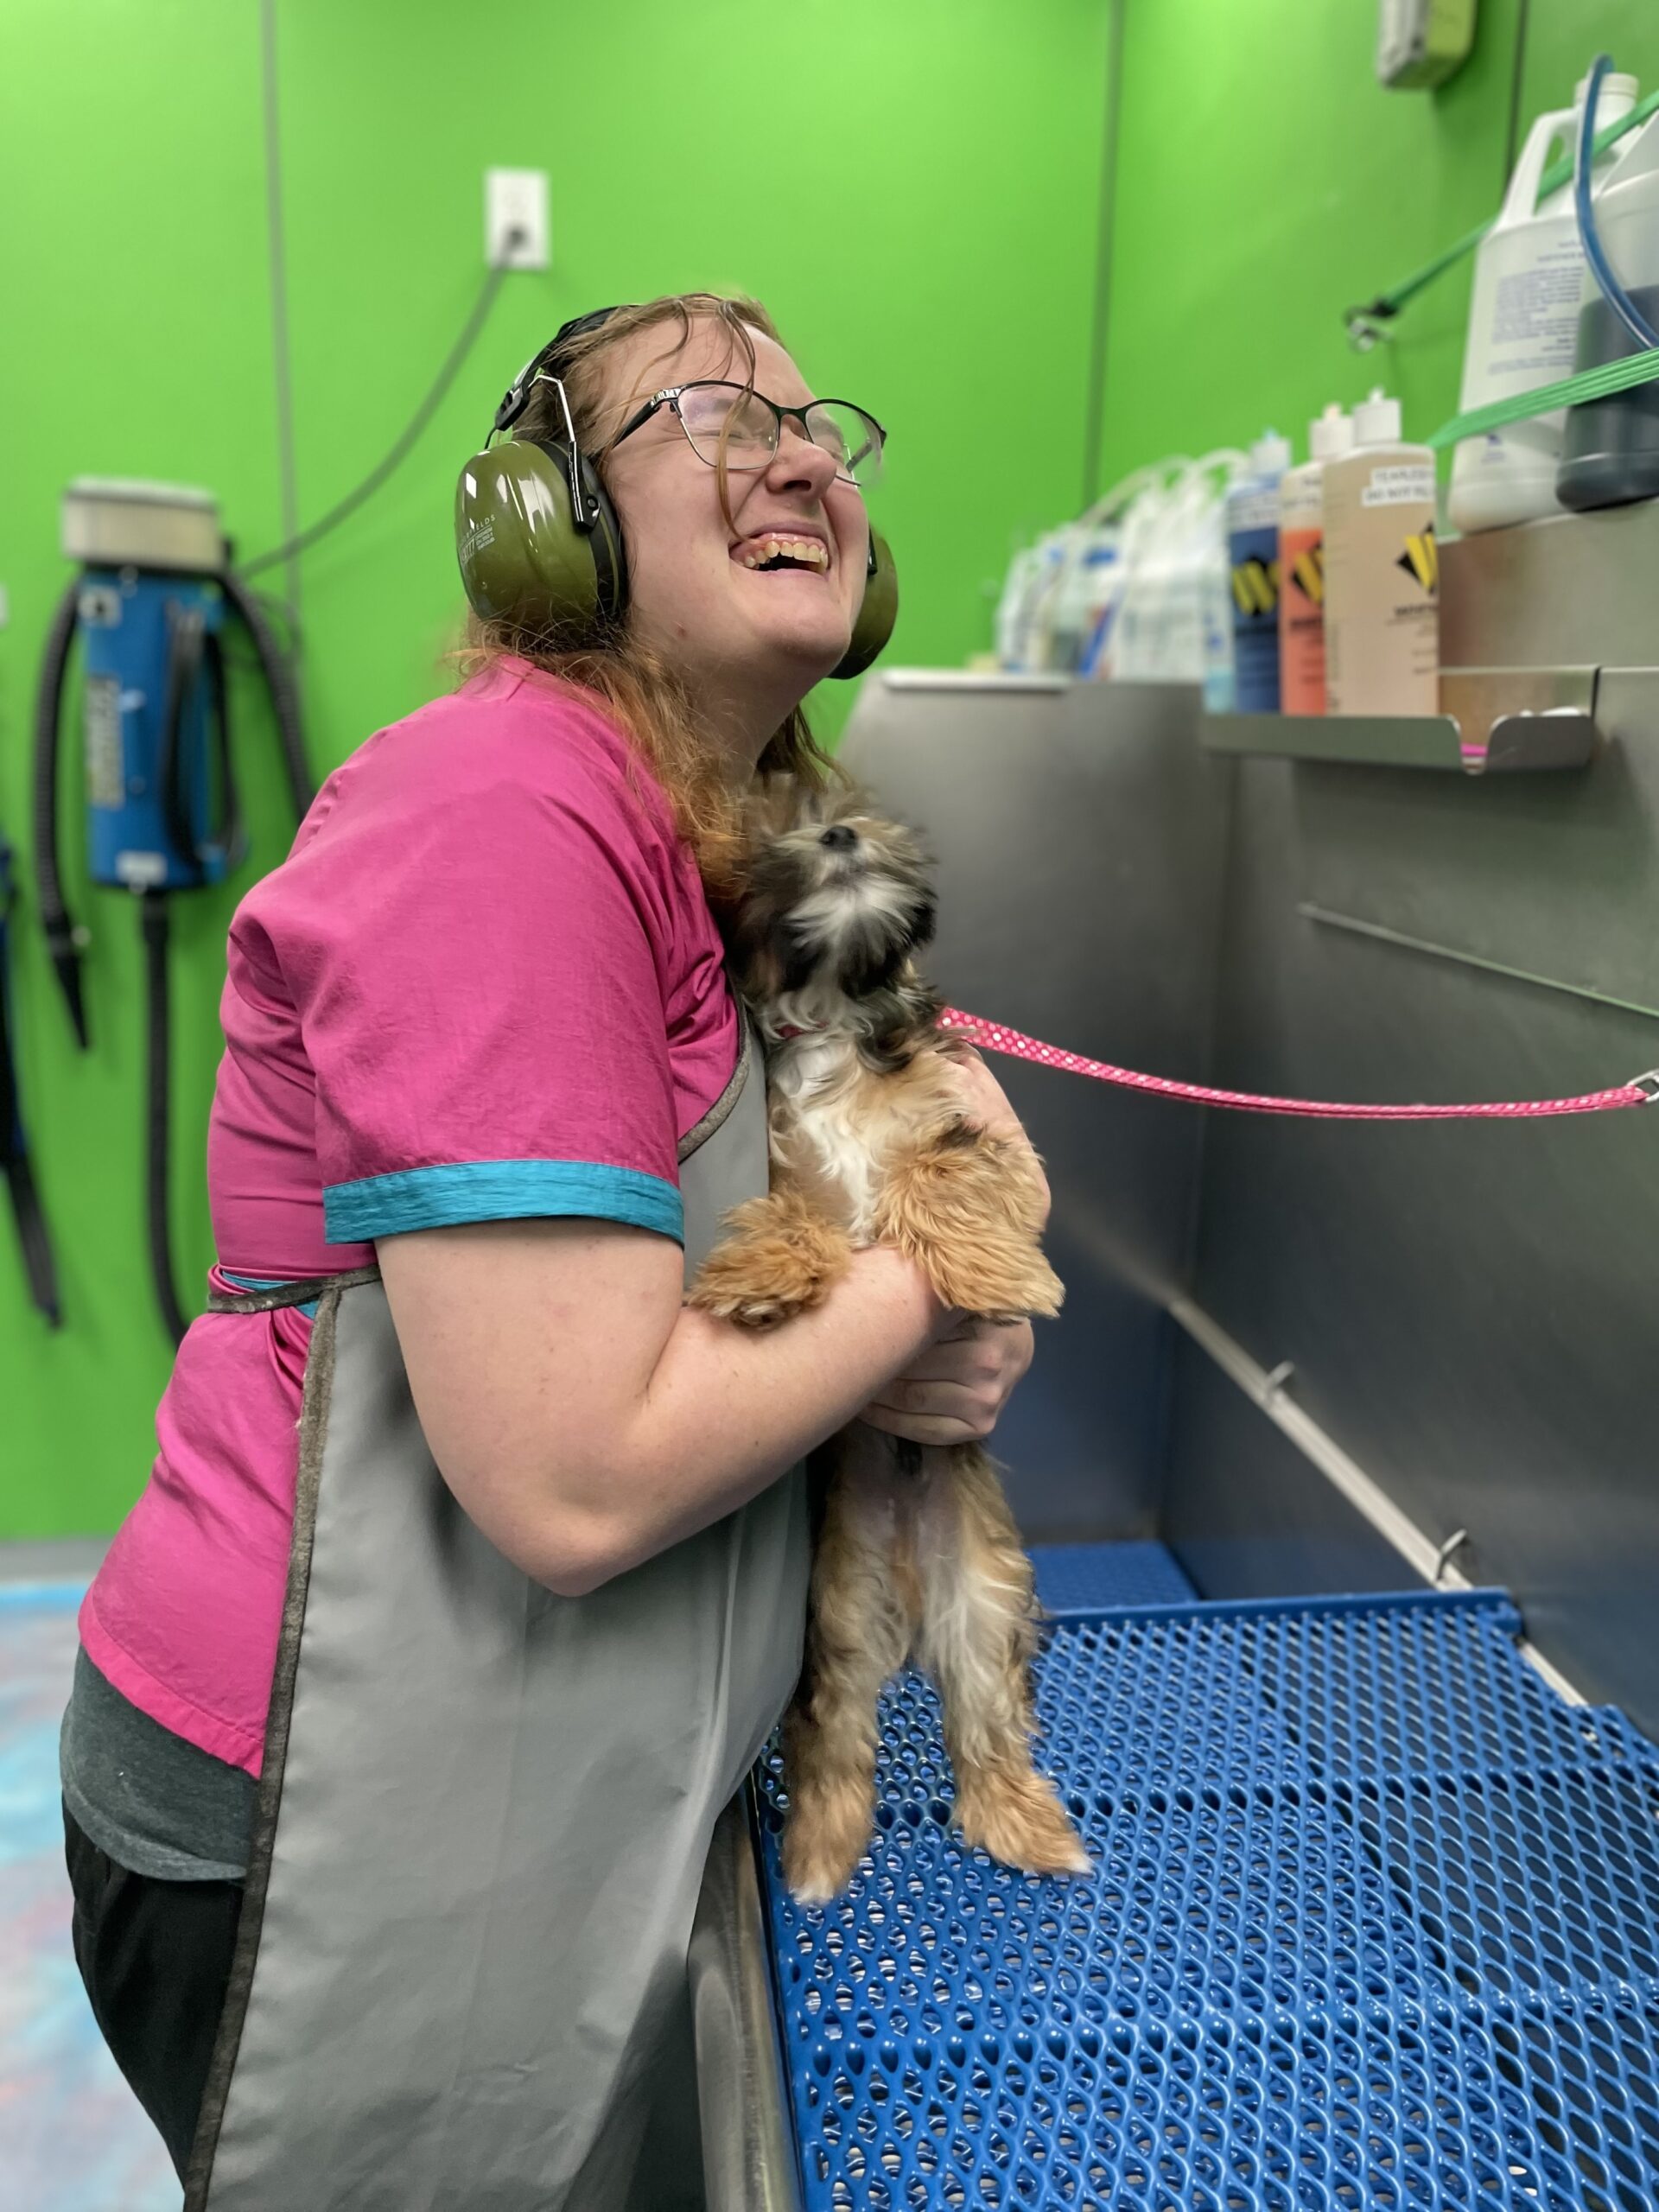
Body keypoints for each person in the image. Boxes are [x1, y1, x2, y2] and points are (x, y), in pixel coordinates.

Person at [60, 291, 1042, 2210]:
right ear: (552, 528)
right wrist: (937, 1260)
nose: (794, 452)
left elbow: (888, 1183)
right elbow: (581, 1472)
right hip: (322, 1788)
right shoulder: (506, 812)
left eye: (816, 420)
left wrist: (926, 1305)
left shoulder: (741, 828)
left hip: (545, 1745)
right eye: (704, 412)